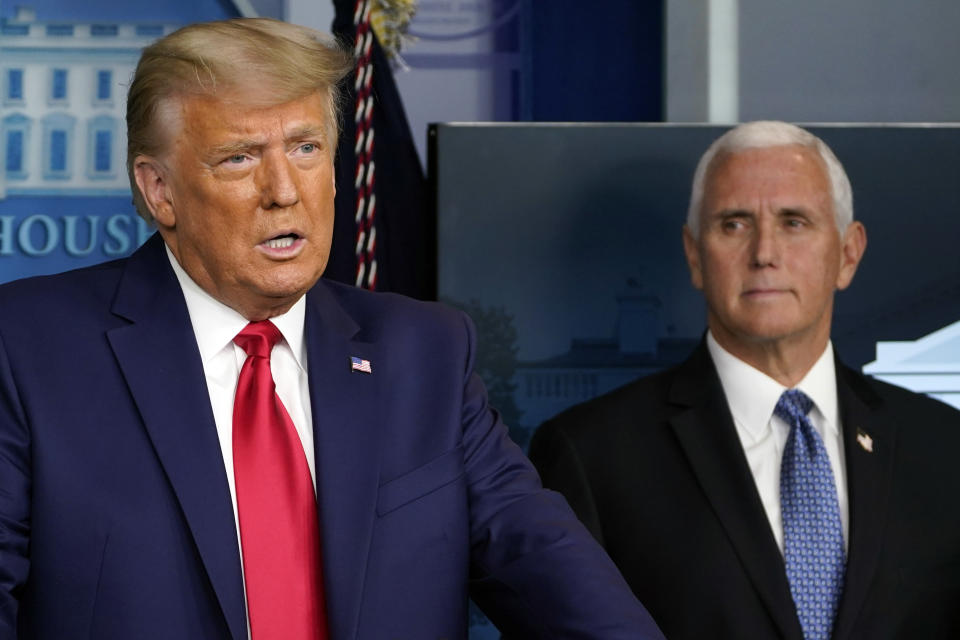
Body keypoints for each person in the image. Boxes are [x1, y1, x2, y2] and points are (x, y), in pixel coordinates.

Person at [0, 18, 664, 640]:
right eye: (240, 158)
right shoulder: (28, 349)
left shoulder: (424, 354)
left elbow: (543, 563)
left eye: (307, 148)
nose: (284, 190)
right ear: (159, 191)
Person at [530, 121, 960, 640]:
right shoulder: (591, 456)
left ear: (848, 254)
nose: (764, 253)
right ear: (694, 255)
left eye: (794, 222)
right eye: (734, 224)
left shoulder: (945, 448)